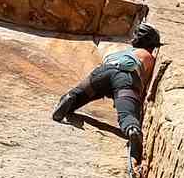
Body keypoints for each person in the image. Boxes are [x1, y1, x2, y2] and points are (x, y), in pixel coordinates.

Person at [51, 23, 162, 155]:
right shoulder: (148, 56)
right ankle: (132, 129)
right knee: (127, 113)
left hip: (102, 72)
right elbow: (143, 86)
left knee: (81, 94)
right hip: (126, 77)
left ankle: (68, 99)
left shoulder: (122, 52)